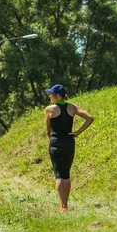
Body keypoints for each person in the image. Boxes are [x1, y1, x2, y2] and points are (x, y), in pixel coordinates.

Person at [44, 84, 93, 213]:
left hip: (56, 143)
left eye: (51, 94)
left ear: (57, 96)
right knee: (66, 174)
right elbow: (89, 118)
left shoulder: (50, 109)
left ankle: (63, 206)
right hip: (69, 142)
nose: (49, 96)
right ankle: (66, 203)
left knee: (59, 175)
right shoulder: (72, 107)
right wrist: (78, 132)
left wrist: (51, 137)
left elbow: (48, 129)